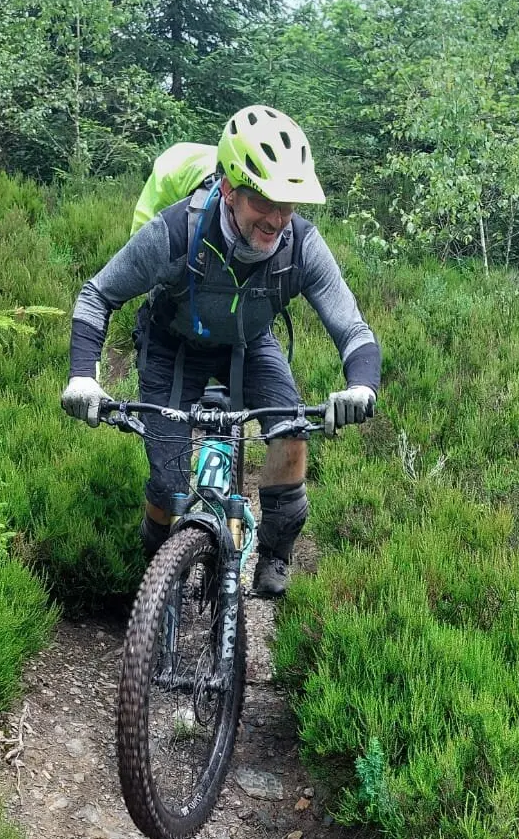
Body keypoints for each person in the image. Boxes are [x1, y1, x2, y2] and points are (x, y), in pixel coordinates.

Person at [62, 105, 381, 597]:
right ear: (229, 189)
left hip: (249, 343)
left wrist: (361, 386)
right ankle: (158, 572)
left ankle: (274, 552)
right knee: (167, 489)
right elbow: (97, 295)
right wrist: (83, 375)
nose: (277, 218)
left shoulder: (302, 246)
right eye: (262, 200)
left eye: (288, 204)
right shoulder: (176, 232)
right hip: (173, 345)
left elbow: (352, 328)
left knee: (290, 436)